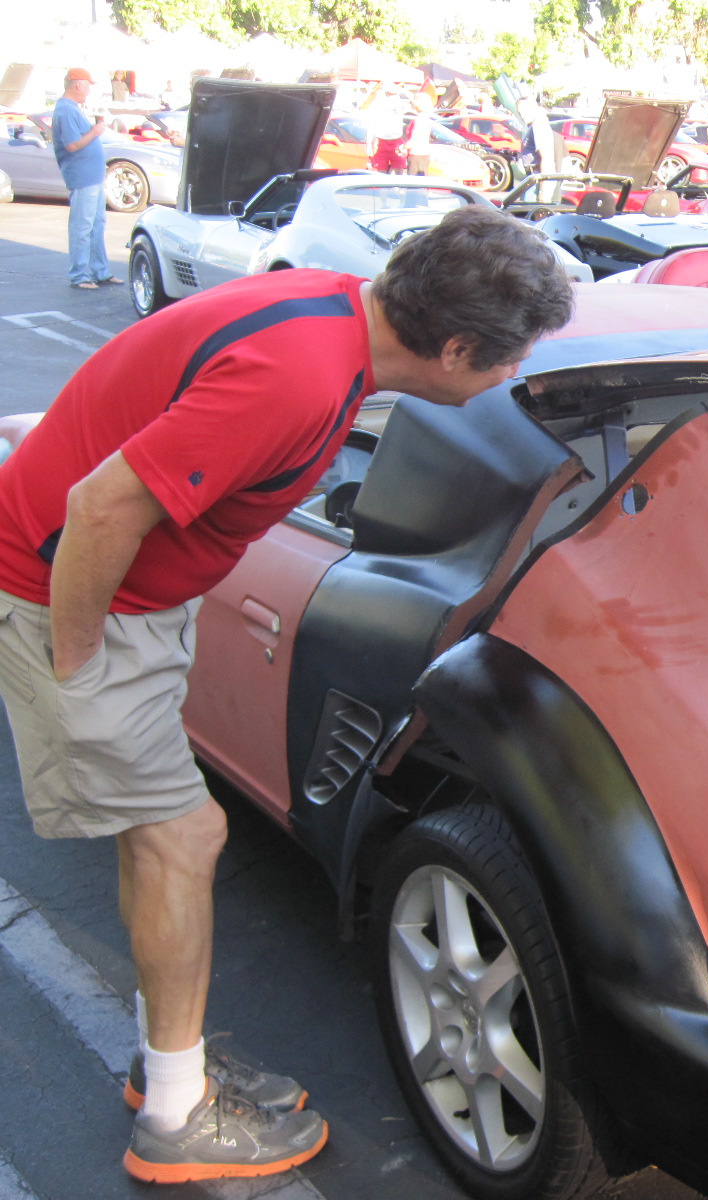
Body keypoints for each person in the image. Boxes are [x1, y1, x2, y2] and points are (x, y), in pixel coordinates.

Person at [0, 206, 573, 1183]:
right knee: (184, 840)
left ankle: (167, 1058)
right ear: (453, 349)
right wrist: (79, 666)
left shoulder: (332, 316)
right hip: (81, 600)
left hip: (133, 600)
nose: (512, 375)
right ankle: (175, 1120)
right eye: (508, 359)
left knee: (154, 838)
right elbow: (98, 509)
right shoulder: (297, 381)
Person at [52, 68, 119, 291]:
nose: (89, 91)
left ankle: (100, 272)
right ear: (78, 84)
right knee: (83, 227)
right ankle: (79, 275)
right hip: (83, 176)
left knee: (96, 225)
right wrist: (95, 131)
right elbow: (72, 145)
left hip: (92, 175)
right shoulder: (66, 110)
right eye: (88, 85)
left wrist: (92, 131)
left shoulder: (72, 109)